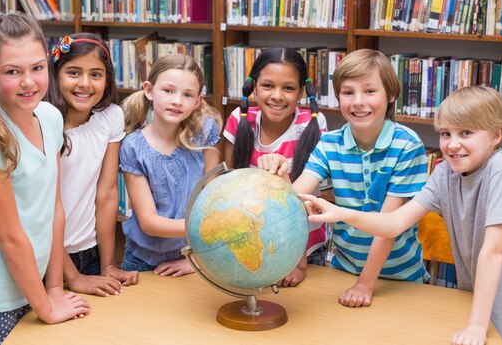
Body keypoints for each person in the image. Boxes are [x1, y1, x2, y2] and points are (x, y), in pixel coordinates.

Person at [301, 86, 502, 345]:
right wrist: (340, 213)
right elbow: (394, 223)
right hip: (477, 315)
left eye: (466, 133)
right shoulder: (444, 174)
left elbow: (494, 251)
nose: (452, 144)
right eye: (445, 133)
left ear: (497, 135)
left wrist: (476, 326)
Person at [0, 13, 90, 345]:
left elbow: (54, 208)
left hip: (34, 288)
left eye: (37, 68)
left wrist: (53, 289)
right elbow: (10, 238)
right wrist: (47, 307)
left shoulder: (51, 117)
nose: (29, 82)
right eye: (13, 71)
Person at [270, 49, 429, 305]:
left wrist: (365, 284)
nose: (358, 101)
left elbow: (388, 226)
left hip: (401, 278)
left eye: (369, 91)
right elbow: (297, 199)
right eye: (348, 92)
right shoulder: (329, 144)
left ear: (391, 95)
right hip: (343, 272)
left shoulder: (407, 145)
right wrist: (282, 175)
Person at [223, 47, 327, 287]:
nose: (277, 96)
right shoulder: (239, 119)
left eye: (288, 88)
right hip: (254, 246)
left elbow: (308, 197)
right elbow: (228, 187)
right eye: (267, 85)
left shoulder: (311, 124)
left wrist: (299, 264)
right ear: (254, 87)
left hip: (306, 251)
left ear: (301, 92)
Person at [45, 33, 139, 297]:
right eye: (74, 72)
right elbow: (43, 210)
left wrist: (107, 264)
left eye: (96, 74)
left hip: (90, 252)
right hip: (47, 258)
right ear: (55, 75)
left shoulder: (110, 117)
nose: (85, 84)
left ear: (107, 79)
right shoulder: (42, 123)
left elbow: (107, 194)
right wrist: (72, 277)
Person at [120, 54, 222, 277]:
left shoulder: (204, 133)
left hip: (195, 258)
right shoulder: (133, 147)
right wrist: (211, 226)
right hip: (142, 263)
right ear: (149, 90)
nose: (177, 101)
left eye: (187, 95)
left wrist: (196, 258)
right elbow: (149, 223)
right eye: (168, 90)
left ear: (198, 102)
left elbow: (211, 200)